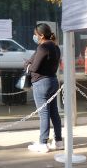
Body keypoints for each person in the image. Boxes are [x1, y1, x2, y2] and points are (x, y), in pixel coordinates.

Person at [26, 23, 63, 153]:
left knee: (44, 114)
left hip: (41, 82)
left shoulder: (43, 47)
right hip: (53, 81)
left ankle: (43, 143)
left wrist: (28, 65)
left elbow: (34, 67)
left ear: (41, 35)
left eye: (36, 35)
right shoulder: (55, 47)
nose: (34, 37)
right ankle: (58, 141)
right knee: (54, 112)